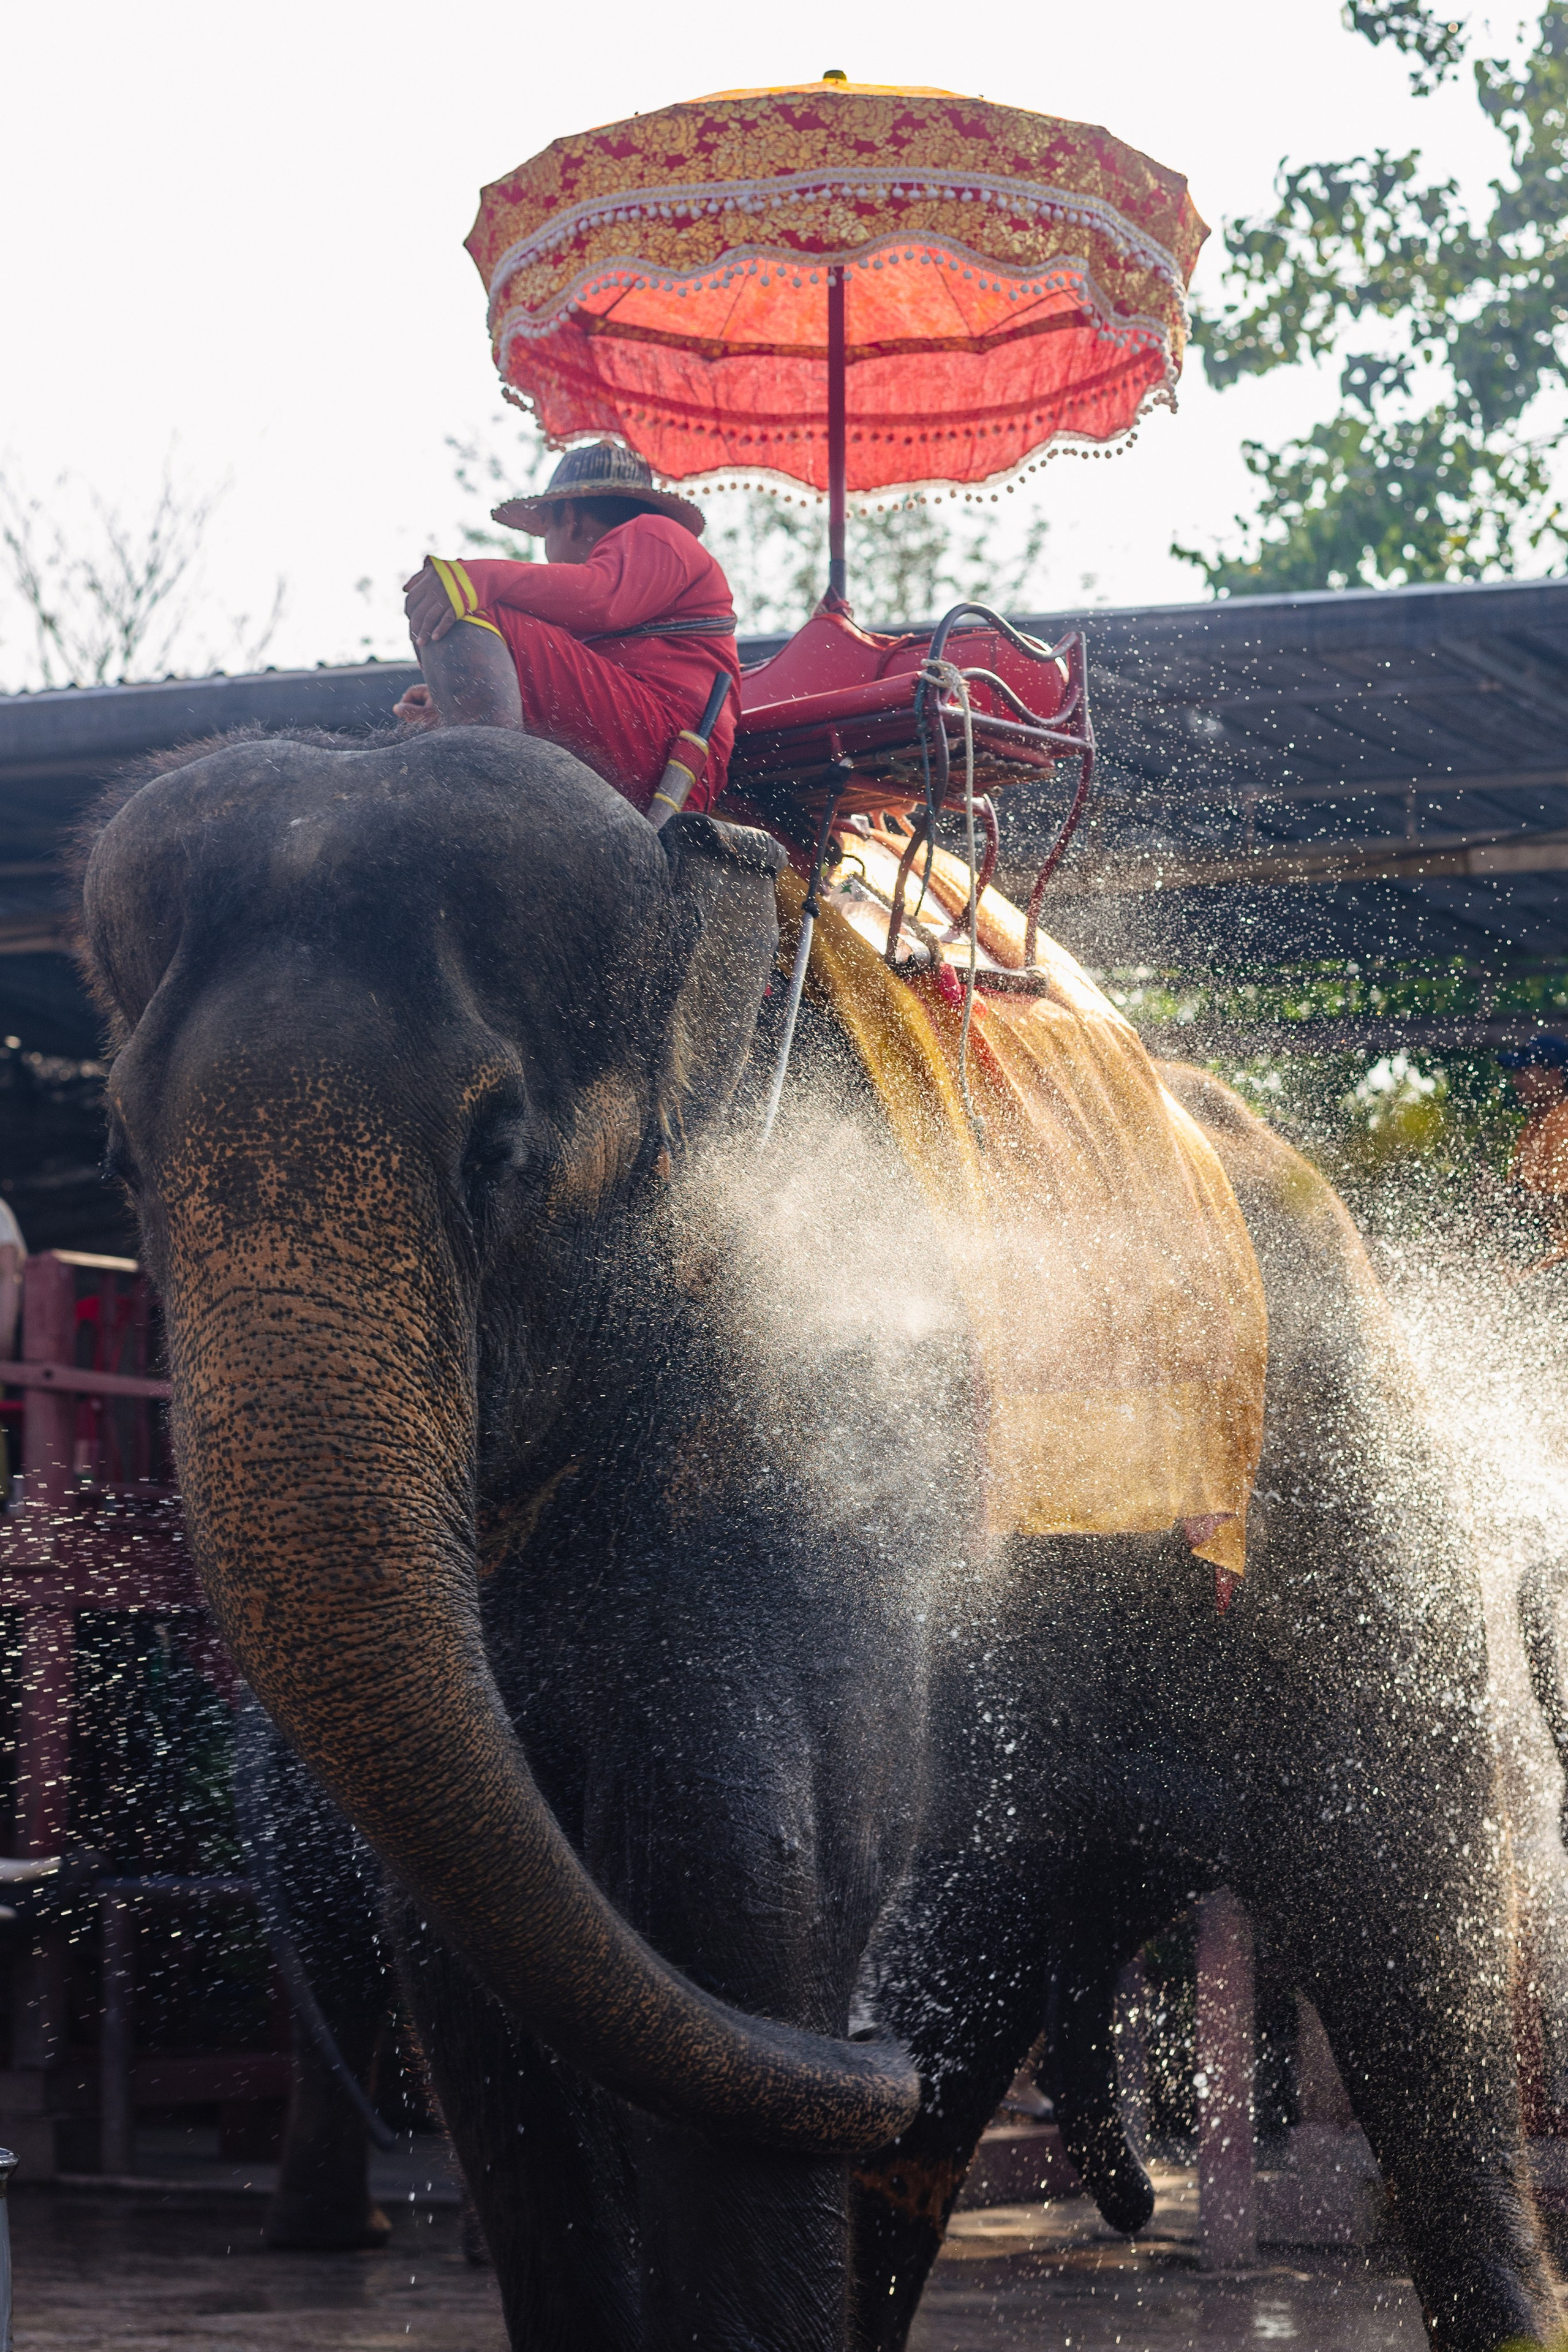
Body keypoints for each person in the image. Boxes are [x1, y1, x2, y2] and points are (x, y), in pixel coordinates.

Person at [396, 443, 740, 818]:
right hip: (646, 742)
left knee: (466, 604)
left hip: (669, 753)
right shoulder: (638, 571)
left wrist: (477, 578)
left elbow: (602, 598)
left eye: (546, 529)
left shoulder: (656, 532)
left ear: (570, 517)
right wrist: (456, 698)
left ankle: (486, 797)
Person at [1498, 1035, 1568, 1263]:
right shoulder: (1537, 1122)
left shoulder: (1564, 1123)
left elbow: (1560, 1202)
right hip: (1547, 1251)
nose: (1515, 1081)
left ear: (1555, 1074)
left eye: (1524, 1072)